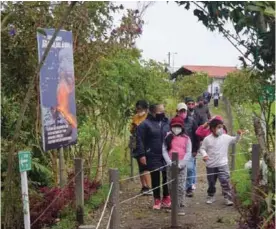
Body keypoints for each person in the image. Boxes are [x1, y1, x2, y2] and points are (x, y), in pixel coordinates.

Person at [200, 118, 244, 206]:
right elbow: (202, 148)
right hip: (211, 165)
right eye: (218, 127)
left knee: (225, 181)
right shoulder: (207, 139)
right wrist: (204, 155)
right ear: (212, 128)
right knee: (211, 182)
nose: (221, 129)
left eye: (222, 127)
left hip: (223, 164)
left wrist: (239, 135)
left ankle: (228, 197)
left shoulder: (225, 137)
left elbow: (235, 140)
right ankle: (211, 196)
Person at [134, 103, 171, 210]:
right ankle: (157, 199)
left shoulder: (167, 122)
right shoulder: (145, 124)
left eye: (163, 110)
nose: (162, 113)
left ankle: (166, 197)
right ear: (153, 112)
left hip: (166, 154)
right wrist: (141, 154)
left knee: (166, 176)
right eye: (160, 111)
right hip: (152, 154)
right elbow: (139, 140)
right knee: (155, 176)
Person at [162, 116, 192, 215]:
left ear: (182, 127)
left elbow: (188, 152)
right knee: (170, 186)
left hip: (182, 166)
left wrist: (182, 163)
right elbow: (164, 150)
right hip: (170, 165)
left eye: (178, 126)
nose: (176, 128)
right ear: (171, 127)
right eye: (174, 126)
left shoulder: (186, 138)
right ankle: (174, 204)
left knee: (180, 186)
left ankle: (180, 206)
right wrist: (169, 162)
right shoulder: (167, 137)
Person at [175, 102, 199, 197]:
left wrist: (195, 149)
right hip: (177, 150)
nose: (183, 113)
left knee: (190, 169)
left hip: (189, 150)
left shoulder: (192, 121)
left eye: (184, 111)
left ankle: (188, 188)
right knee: (178, 170)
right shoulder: (173, 121)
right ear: (177, 111)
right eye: (181, 111)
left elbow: (197, 135)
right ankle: (178, 189)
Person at [130, 100, 152, 195]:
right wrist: (134, 127)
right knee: (141, 167)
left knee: (146, 166)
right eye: (137, 108)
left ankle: (149, 187)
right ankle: (144, 186)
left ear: (146, 109)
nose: (139, 110)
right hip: (136, 143)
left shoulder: (149, 118)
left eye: (140, 108)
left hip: (146, 144)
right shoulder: (135, 117)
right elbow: (131, 129)